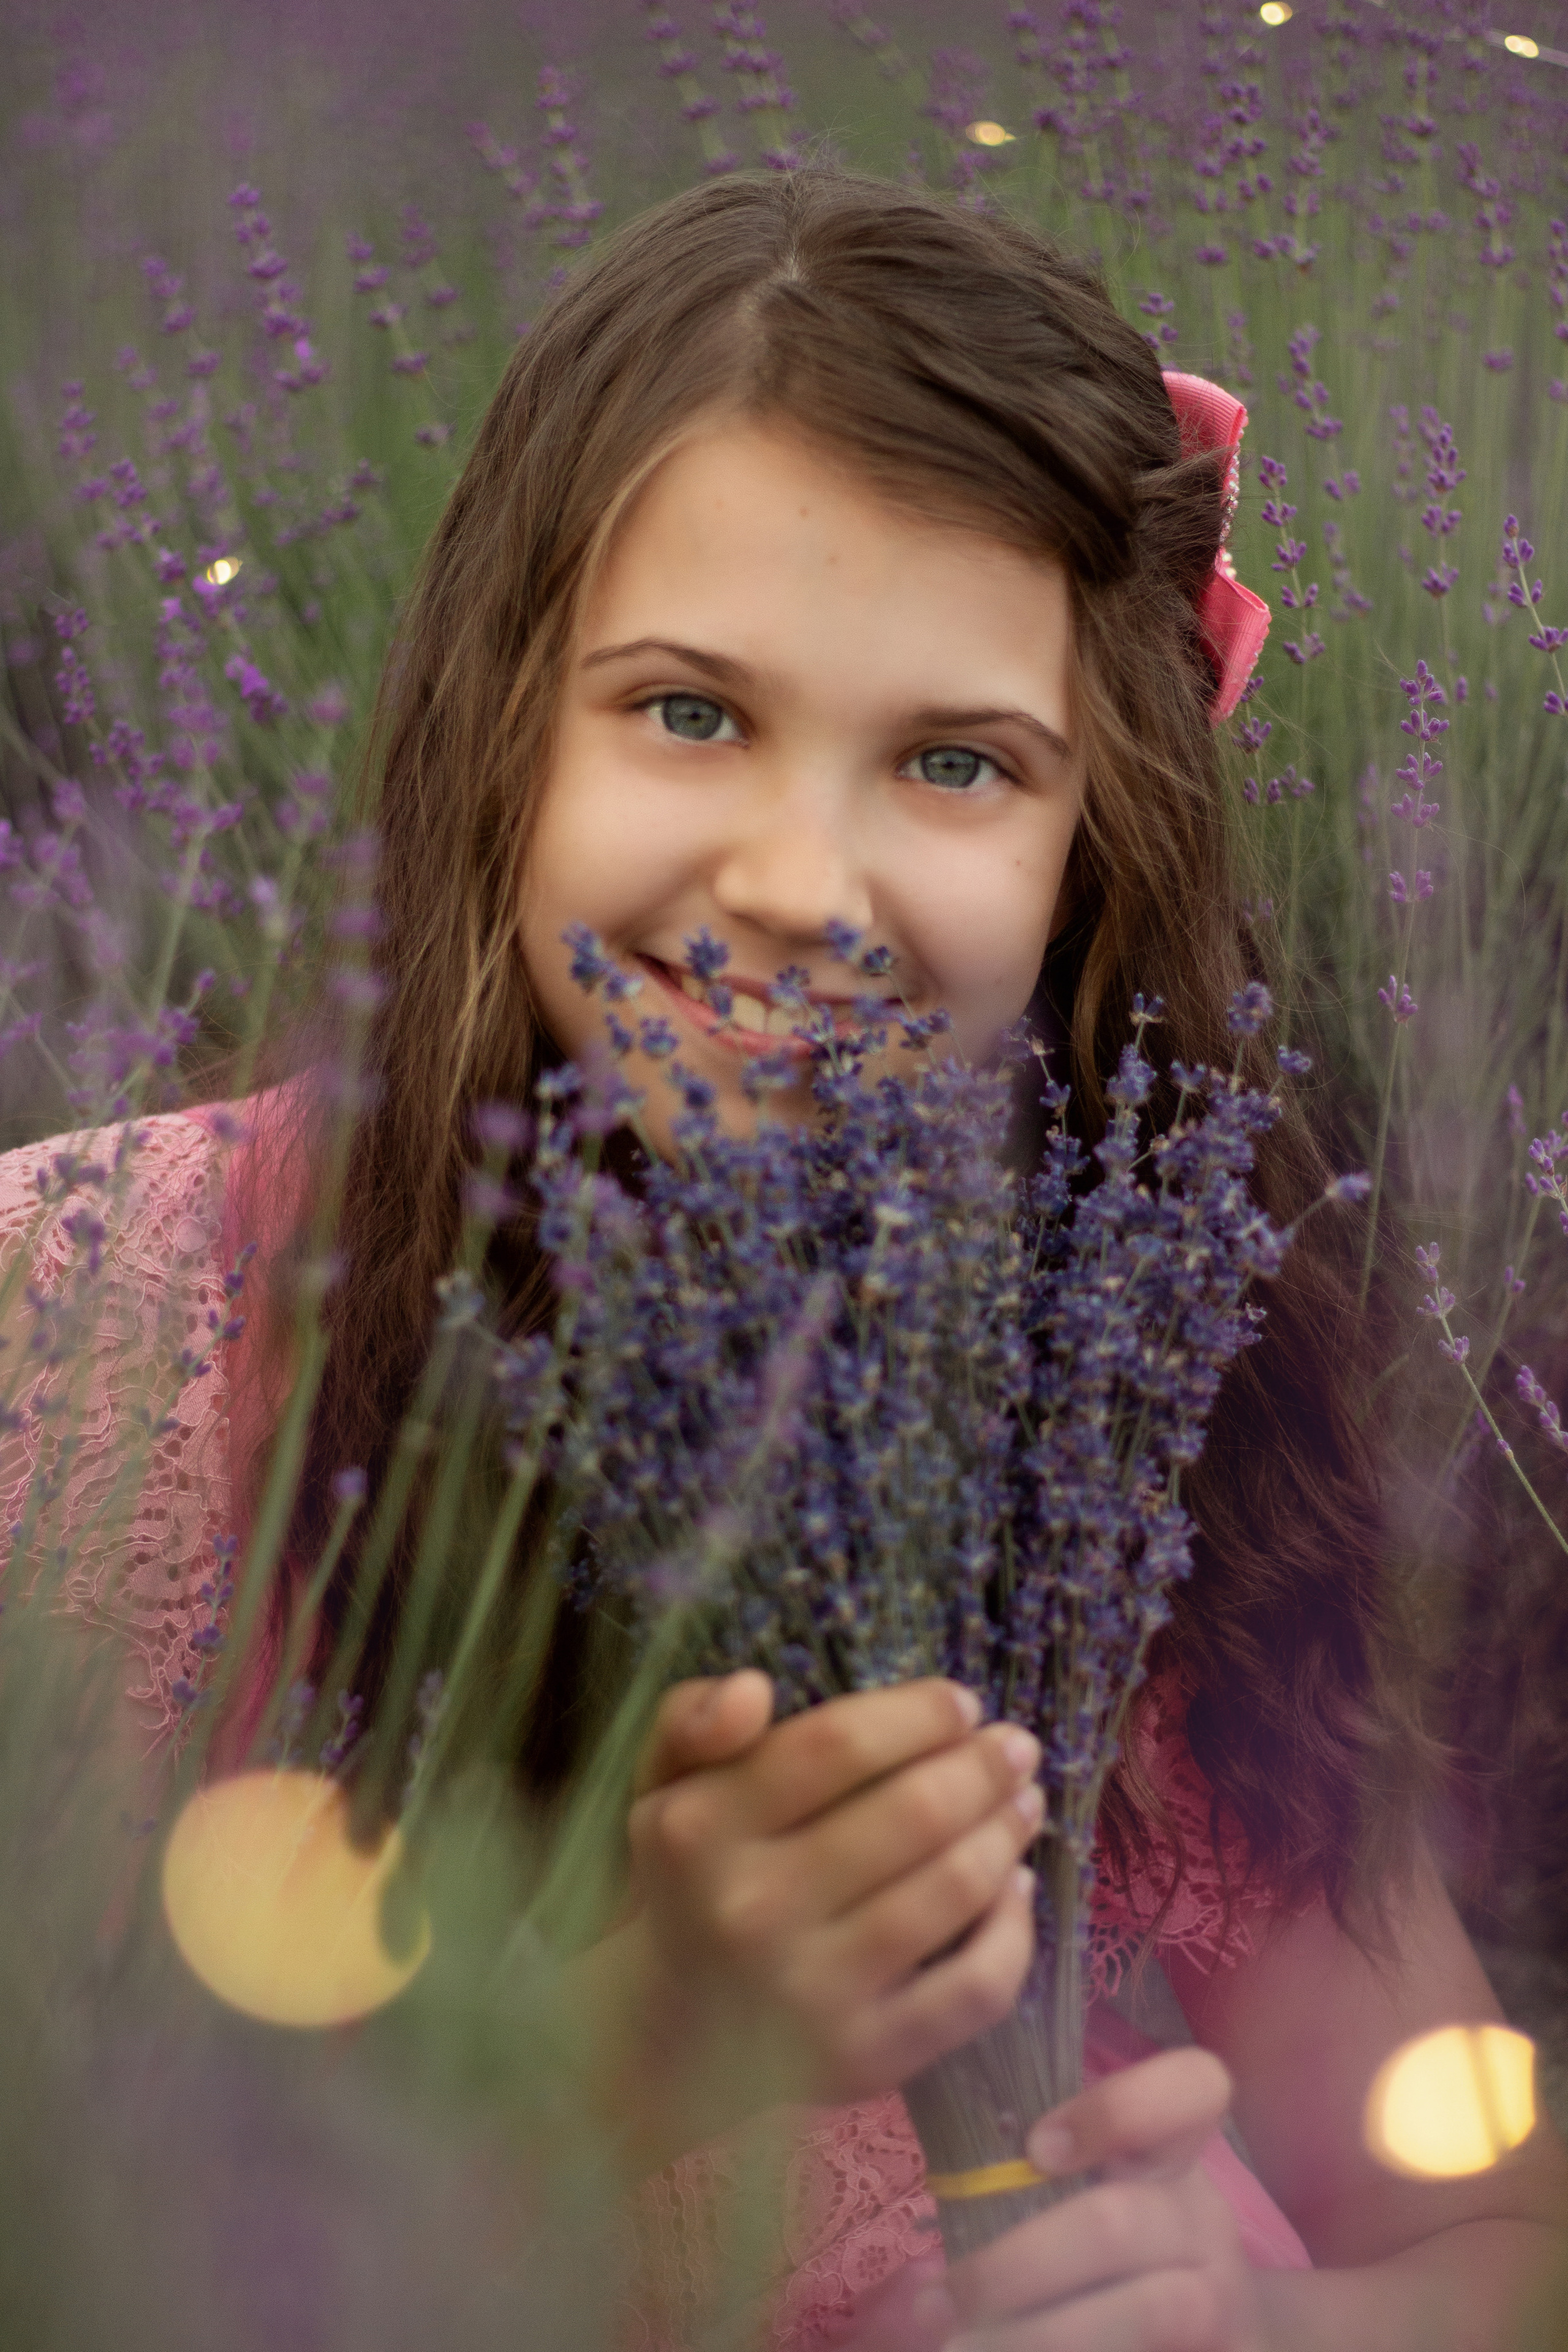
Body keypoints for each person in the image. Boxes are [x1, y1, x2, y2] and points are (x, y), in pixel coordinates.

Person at [2, 169, 1562, 2350]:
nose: (794, 879)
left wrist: (1284, 2323)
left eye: (953, 761)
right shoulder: (85, 1328)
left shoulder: (1138, 1416)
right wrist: (653, 2043)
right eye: (690, 712)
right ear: (501, 707)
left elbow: (1497, 2233)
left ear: (1093, 835)